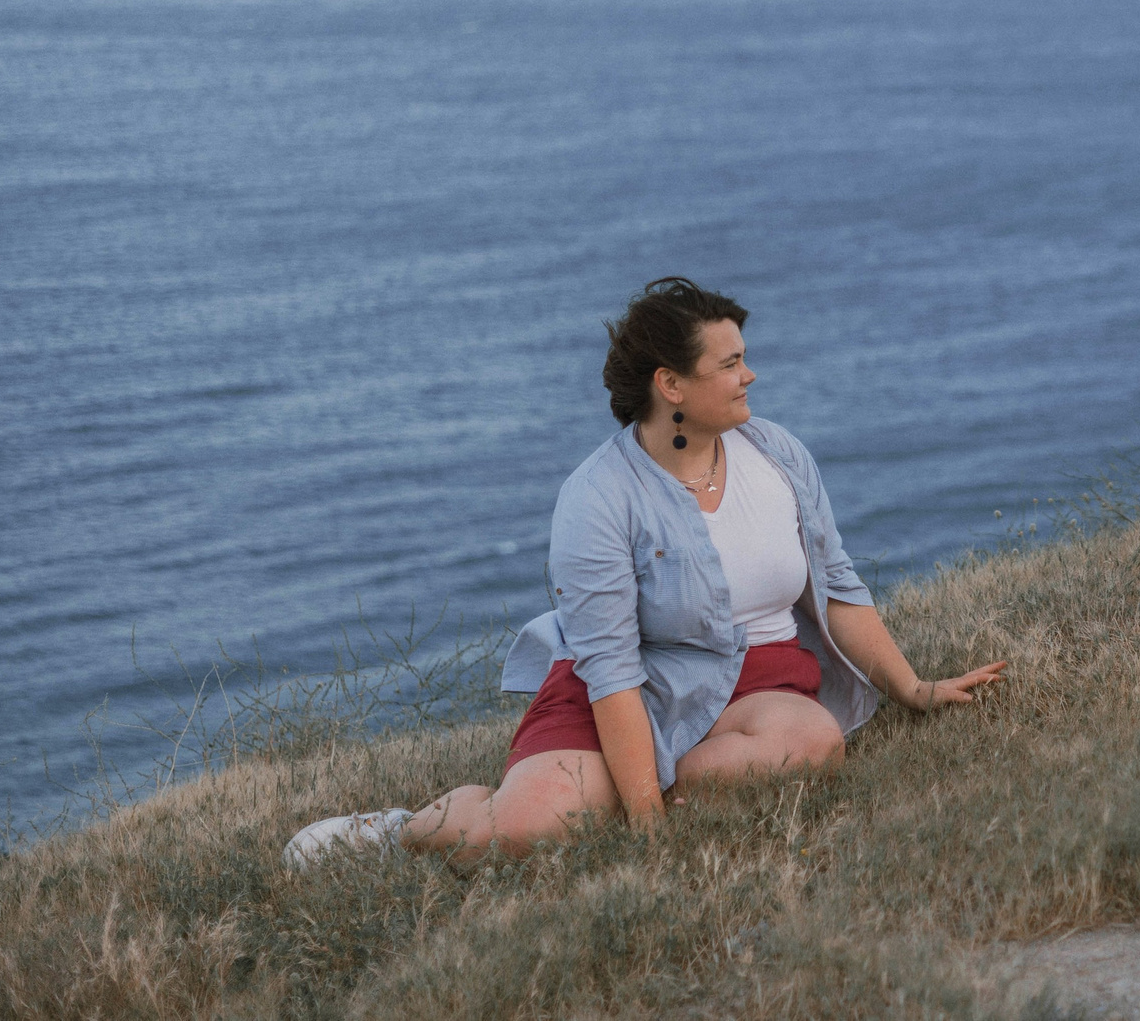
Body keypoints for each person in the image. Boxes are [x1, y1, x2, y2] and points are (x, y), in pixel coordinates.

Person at [285, 277, 1005, 867]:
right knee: (521, 833)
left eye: (743, 356)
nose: (750, 373)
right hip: (621, 688)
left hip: (755, 680)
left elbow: (838, 588)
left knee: (813, 742)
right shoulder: (596, 497)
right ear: (671, 385)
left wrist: (915, 688)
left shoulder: (778, 453)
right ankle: (404, 827)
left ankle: (646, 786)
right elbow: (612, 669)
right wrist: (648, 820)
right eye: (729, 363)